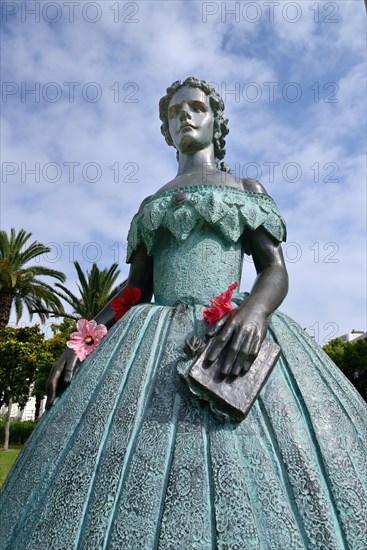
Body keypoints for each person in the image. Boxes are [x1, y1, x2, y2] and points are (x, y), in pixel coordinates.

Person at [1, 77, 366, 550]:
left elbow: (274, 270)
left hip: (229, 333)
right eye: (175, 112)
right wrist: (81, 342)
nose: (185, 116)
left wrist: (254, 314)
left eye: (196, 108)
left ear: (217, 121)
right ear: (166, 129)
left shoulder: (244, 189)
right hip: (147, 342)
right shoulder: (151, 205)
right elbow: (135, 291)